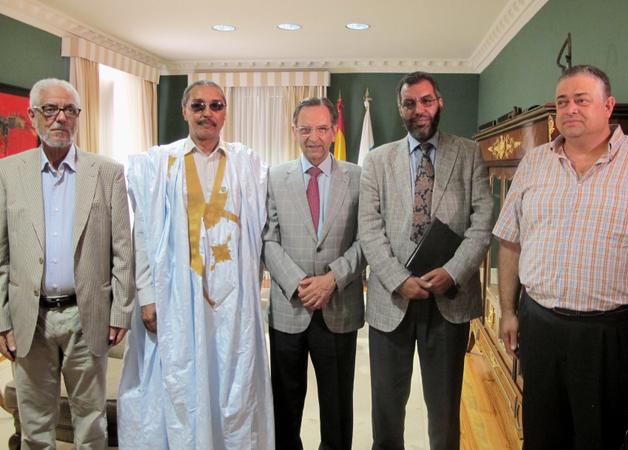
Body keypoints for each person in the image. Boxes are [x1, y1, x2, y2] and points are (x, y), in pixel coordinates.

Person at [494, 64, 628, 450]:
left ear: (608, 106)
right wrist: (507, 310)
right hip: (539, 326)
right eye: (562, 102)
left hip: (614, 336)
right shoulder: (533, 163)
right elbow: (509, 241)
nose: (570, 109)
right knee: (541, 437)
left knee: (601, 440)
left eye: (581, 100)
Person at [117, 80, 274, 449]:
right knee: (181, 380)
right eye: (199, 105)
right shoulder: (159, 164)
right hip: (175, 300)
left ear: (225, 113)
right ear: (185, 111)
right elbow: (143, 234)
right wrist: (147, 295)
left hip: (232, 302)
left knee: (232, 383)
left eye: (216, 105)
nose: (207, 113)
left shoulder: (246, 164)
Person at [358, 71, 492, 450]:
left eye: (426, 100)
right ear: (400, 109)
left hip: (448, 300)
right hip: (392, 301)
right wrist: (398, 279)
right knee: (386, 412)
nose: (419, 109)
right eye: (410, 103)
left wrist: (453, 272)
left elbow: (482, 222)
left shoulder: (468, 153)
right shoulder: (377, 160)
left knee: (444, 414)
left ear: (440, 102)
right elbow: (369, 228)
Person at [0, 78, 134, 449]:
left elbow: (123, 250)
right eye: (50, 109)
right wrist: (2, 321)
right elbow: (1, 255)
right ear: (32, 116)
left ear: (78, 116)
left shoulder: (107, 172)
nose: (60, 118)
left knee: (91, 425)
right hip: (30, 318)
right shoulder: (8, 173)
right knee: (35, 427)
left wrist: (120, 313)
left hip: (86, 315)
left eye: (69, 110)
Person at [263, 97, 364, 450]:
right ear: (294, 131)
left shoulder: (358, 177)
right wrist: (298, 283)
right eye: (305, 129)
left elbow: (366, 239)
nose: (314, 137)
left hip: (339, 308)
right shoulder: (274, 177)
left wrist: (332, 279)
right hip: (289, 309)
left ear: (334, 130)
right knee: (284, 406)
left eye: (322, 128)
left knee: (337, 409)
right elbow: (268, 239)